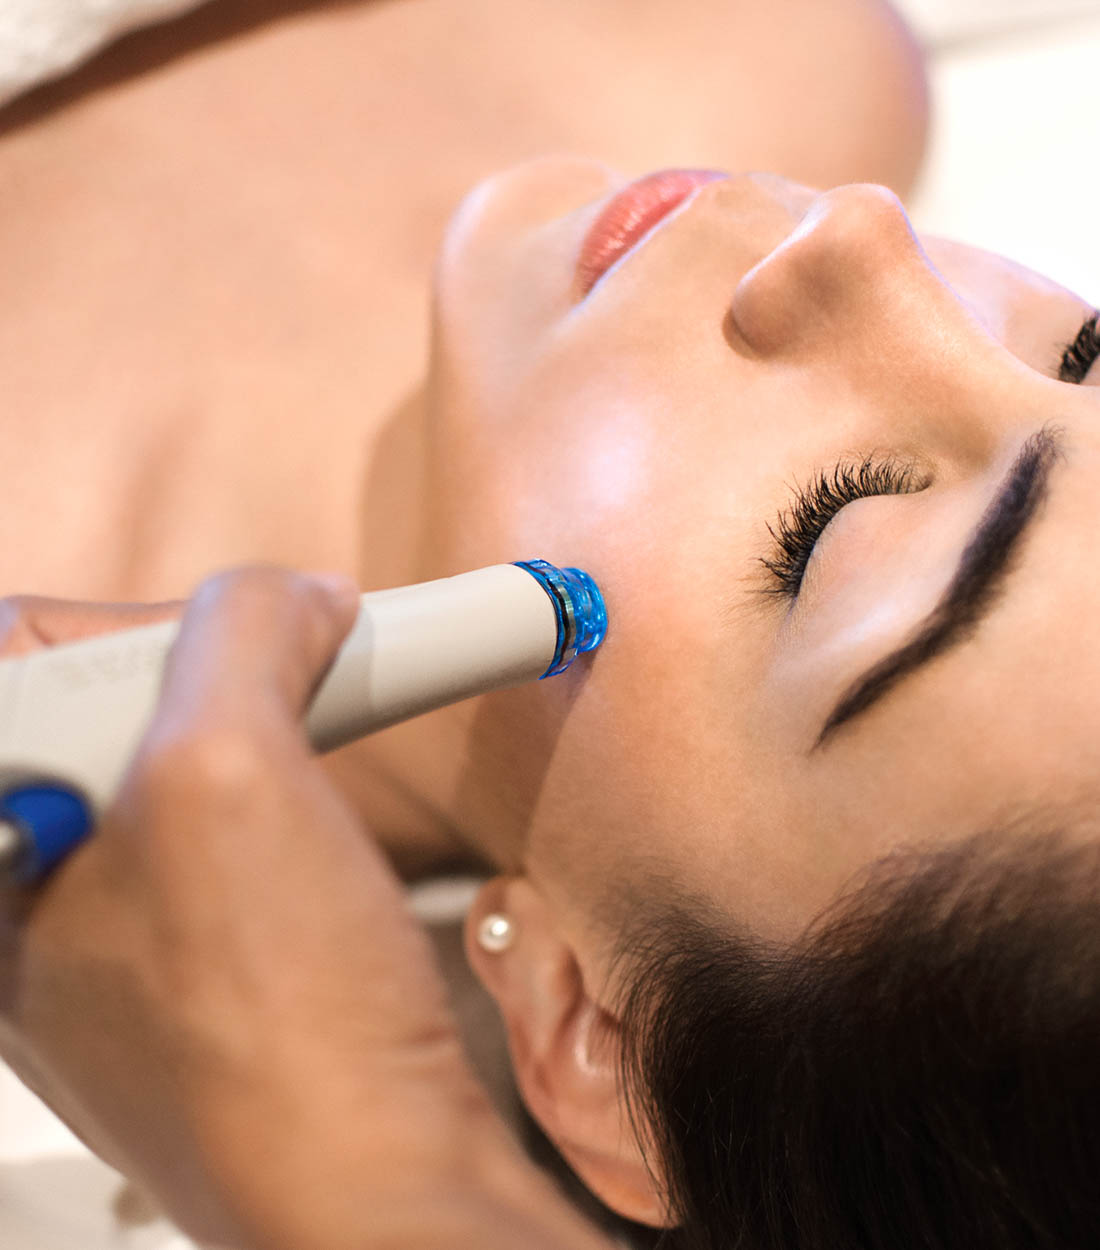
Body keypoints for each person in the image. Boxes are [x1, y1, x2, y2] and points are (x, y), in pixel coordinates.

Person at [5, 0, 1100, 1246]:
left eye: (838, 524)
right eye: (1079, 353)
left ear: (593, 1030)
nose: (863, 237)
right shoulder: (759, 42)